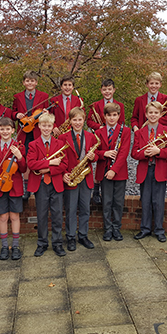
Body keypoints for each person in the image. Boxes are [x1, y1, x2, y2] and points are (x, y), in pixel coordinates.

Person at [27, 112, 68, 257]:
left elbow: (64, 164)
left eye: (49, 126)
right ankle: (42, 243)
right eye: (43, 125)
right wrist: (50, 162)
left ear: (52, 127)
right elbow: (31, 164)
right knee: (42, 215)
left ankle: (57, 244)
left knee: (57, 215)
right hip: (40, 185)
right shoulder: (33, 144)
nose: (46, 128)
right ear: (38, 126)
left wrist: (45, 169)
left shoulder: (60, 144)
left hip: (55, 183)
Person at [131, 101, 167, 242]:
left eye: (156, 112)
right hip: (145, 169)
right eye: (150, 112)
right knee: (146, 201)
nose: (153, 115)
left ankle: (159, 230)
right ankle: (145, 229)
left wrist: (158, 151)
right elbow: (134, 153)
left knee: (158, 202)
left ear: (161, 114)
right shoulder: (140, 133)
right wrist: (145, 154)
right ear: (146, 114)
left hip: (159, 169)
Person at [0, 117, 26, 260]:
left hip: (14, 185)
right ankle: (4, 246)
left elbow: (23, 169)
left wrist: (20, 157)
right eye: (2, 129)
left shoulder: (18, 146)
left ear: (12, 130)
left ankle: (15, 246)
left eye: (7, 129)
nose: (5, 131)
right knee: (3, 217)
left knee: (14, 216)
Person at [60, 107, 97, 250]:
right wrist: (63, 173)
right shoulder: (63, 137)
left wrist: (94, 157)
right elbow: (60, 158)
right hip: (71, 177)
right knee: (70, 209)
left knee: (85, 208)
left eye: (80, 119)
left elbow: (97, 154)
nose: (77, 122)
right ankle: (70, 237)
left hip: (86, 177)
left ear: (84, 120)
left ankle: (83, 235)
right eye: (74, 120)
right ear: (70, 121)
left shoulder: (90, 136)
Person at [95, 102, 131, 241]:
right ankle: (107, 229)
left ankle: (116, 228)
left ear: (119, 116)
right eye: (109, 115)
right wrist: (105, 153)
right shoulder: (98, 132)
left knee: (118, 201)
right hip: (104, 171)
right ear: (104, 116)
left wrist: (114, 170)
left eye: (114, 115)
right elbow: (95, 153)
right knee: (107, 202)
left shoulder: (125, 131)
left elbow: (123, 153)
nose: (111, 118)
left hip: (119, 172)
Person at [86, 79, 125, 205]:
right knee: (100, 162)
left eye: (109, 89)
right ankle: (96, 190)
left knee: (114, 157)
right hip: (101, 134)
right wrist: (100, 128)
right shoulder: (96, 105)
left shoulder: (120, 105)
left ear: (114, 90)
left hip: (114, 136)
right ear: (101, 91)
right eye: (104, 89)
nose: (107, 92)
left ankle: (103, 187)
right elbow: (89, 121)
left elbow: (122, 122)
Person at [13, 70, 49, 200]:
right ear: (24, 82)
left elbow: (48, 114)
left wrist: (45, 113)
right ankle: (27, 188)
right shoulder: (17, 96)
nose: (30, 83)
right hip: (23, 131)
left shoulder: (44, 96)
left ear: (36, 83)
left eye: (32, 81)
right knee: (25, 158)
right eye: (27, 81)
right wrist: (16, 115)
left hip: (38, 132)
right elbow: (13, 112)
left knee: (39, 157)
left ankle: (40, 185)